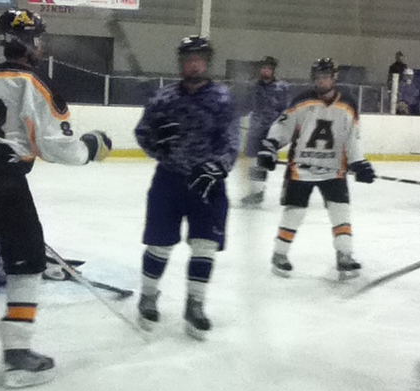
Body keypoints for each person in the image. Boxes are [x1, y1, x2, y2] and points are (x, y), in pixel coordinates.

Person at [0, 8, 112, 388]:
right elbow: (57, 146)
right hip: (7, 183)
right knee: (27, 262)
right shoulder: (35, 82)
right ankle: (17, 354)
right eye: (39, 39)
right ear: (31, 42)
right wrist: (91, 146)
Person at [134, 36, 239, 341]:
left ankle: (195, 303)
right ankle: (149, 295)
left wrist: (216, 168)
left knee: (205, 245)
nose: (194, 64)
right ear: (181, 62)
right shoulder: (163, 98)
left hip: (208, 184)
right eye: (189, 59)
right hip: (169, 181)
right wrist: (157, 143)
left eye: (199, 59)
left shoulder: (222, 98)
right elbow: (143, 132)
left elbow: (231, 141)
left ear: (207, 62)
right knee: (160, 244)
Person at [258, 58, 375, 280]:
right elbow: (283, 126)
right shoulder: (303, 101)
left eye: (326, 76)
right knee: (295, 212)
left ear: (334, 78)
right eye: (319, 77)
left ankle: (344, 255)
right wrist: (270, 146)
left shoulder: (347, 105)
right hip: (301, 169)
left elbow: (351, 139)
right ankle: (279, 254)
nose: (323, 81)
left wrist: (359, 163)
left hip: (333, 170)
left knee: (340, 210)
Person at [240, 56, 290, 205]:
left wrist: (282, 127)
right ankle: (255, 191)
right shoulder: (253, 86)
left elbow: (286, 109)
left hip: (271, 130)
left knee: (263, 161)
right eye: (263, 68)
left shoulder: (281, 87)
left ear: (273, 70)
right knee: (253, 161)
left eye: (268, 68)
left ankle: (261, 191)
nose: (265, 71)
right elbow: (246, 104)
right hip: (255, 129)